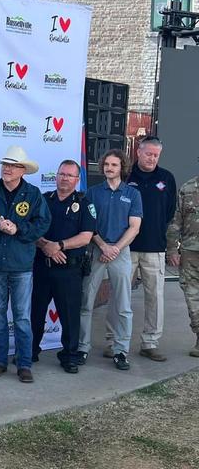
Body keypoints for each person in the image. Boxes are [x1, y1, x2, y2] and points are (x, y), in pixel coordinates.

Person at [0, 145, 51, 383]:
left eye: (12, 165)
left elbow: (43, 223)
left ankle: (24, 364)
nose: (7, 169)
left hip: (22, 265)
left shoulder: (34, 194)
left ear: (22, 170)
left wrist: (19, 229)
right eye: (5, 164)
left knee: (22, 317)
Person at [111, 136, 175, 362]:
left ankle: (150, 342)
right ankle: (114, 341)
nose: (152, 158)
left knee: (155, 297)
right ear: (138, 152)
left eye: (156, 154)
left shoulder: (166, 178)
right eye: (148, 153)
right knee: (120, 295)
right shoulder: (126, 176)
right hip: (125, 246)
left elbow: (169, 212)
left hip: (154, 247)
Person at [78, 149, 142, 370]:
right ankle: (82, 348)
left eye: (114, 165)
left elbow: (135, 227)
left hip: (121, 252)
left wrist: (115, 248)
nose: (109, 168)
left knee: (123, 305)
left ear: (121, 168)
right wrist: (104, 246)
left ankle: (120, 351)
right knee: (86, 301)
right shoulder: (93, 192)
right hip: (96, 250)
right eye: (106, 165)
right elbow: (87, 224)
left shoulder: (132, 194)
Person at [31, 160, 95, 374]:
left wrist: (59, 246)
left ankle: (69, 356)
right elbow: (31, 228)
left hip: (69, 270)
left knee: (69, 315)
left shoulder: (84, 204)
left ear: (77, 180)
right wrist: (46, 246)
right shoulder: (43, 200)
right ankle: (30, 351)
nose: (65, 178)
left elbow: (86, 237)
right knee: (36, 312)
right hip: (42, 266)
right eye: (61, 174)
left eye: (70, 175)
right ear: (56, 176)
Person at [167, 174, 199, 357]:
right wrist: (172, 249)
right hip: (190, 253)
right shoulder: (187, 188)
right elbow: (176, 221)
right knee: (192, 297)